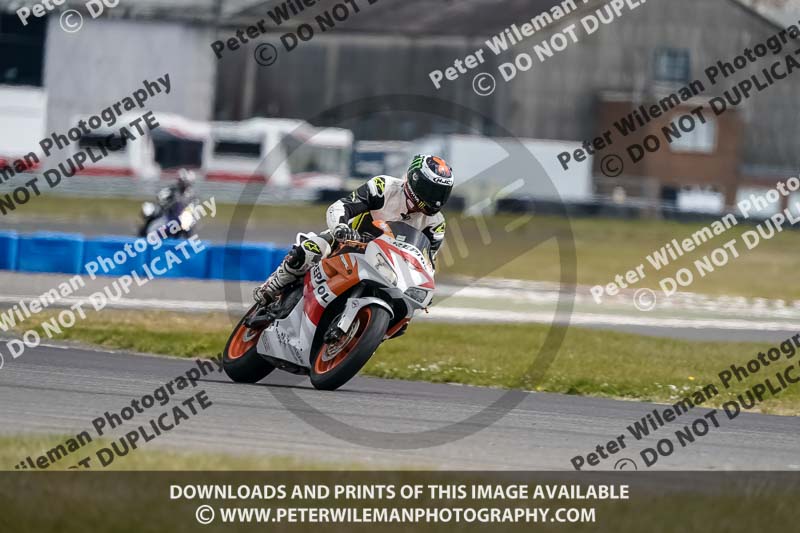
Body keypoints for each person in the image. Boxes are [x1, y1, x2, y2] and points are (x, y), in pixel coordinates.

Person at [254, 154, 454, 305]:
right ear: (415, 180)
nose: (436, 199)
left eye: (441, 192)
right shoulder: (383, 187)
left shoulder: (436, 223)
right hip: (349, 242)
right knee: (311, 249)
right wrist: (340, 227)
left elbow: (427, 263)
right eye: (431, 190)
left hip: (389, 267)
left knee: (403, 312)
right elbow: (343, 206)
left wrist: (424, 286)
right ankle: (273, 285)